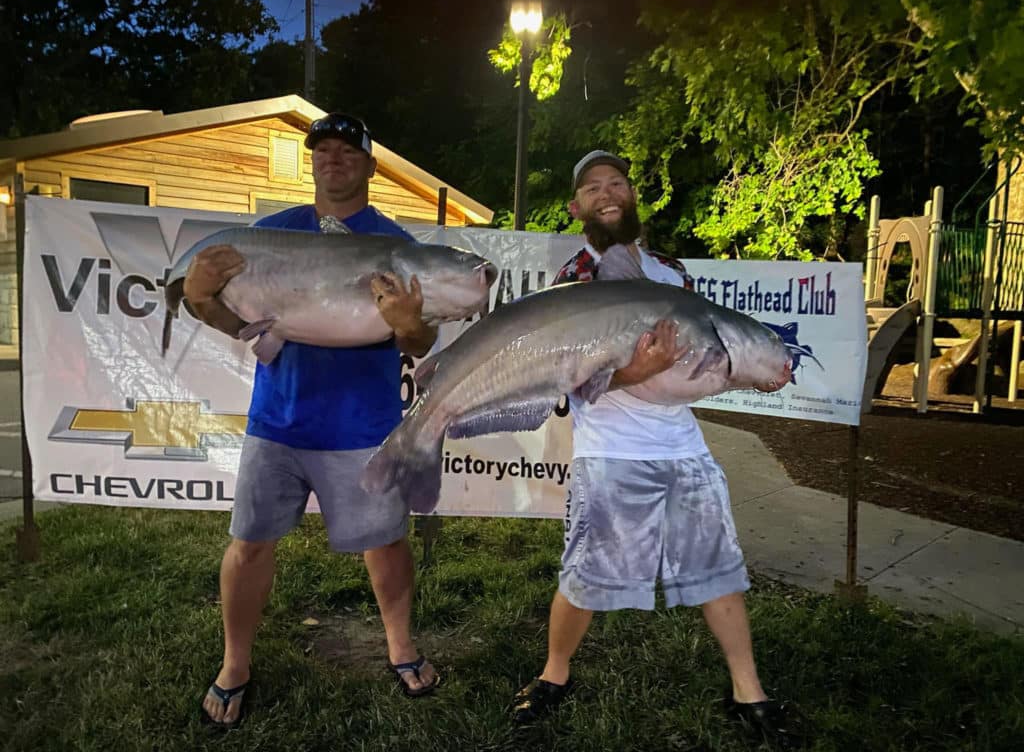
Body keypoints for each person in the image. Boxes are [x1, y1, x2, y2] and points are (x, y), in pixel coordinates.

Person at [510, 150, 797, 746]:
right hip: (609, 452)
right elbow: (565, 383)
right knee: (585, 575)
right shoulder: (572, 282)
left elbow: (706, 365)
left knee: (718, 568)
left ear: (633, 194)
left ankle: (750, 690)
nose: (606, 194)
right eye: (592, 188)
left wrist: (755, 369)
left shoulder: (671, 272)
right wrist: (635, 371)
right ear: (576, 207)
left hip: (683, 447)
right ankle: (553, 673)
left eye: (616, 182)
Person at [188, 113, 440, 729]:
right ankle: (235, 663)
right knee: (248, 545)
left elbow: (420, 341)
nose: (333, 159)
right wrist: (198, 297)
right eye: (322, 150)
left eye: (347, 150)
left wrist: (408, 321)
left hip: (364, 425)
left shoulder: (395, 246)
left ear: (370, 165)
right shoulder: (269, 236)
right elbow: (234, 324)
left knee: (385, 545)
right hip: (278, 420)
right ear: (313, 162)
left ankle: (400, 646)